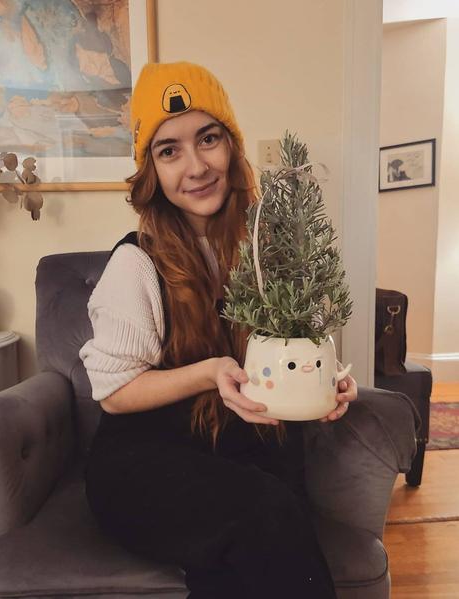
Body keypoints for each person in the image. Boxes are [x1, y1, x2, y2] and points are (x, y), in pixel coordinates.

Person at [80, 61, 358, 599]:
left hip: (241, 449)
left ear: (231, 145)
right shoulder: (136, 264)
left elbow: (298, 348)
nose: (196, 166)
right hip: (144, 465)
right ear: (152, 172)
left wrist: (326, 381)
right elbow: (113, 394)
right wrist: (209, 373)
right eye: (169, 150)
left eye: (208, 138)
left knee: (253, 535)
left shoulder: (268, 250)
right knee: (265, 511)